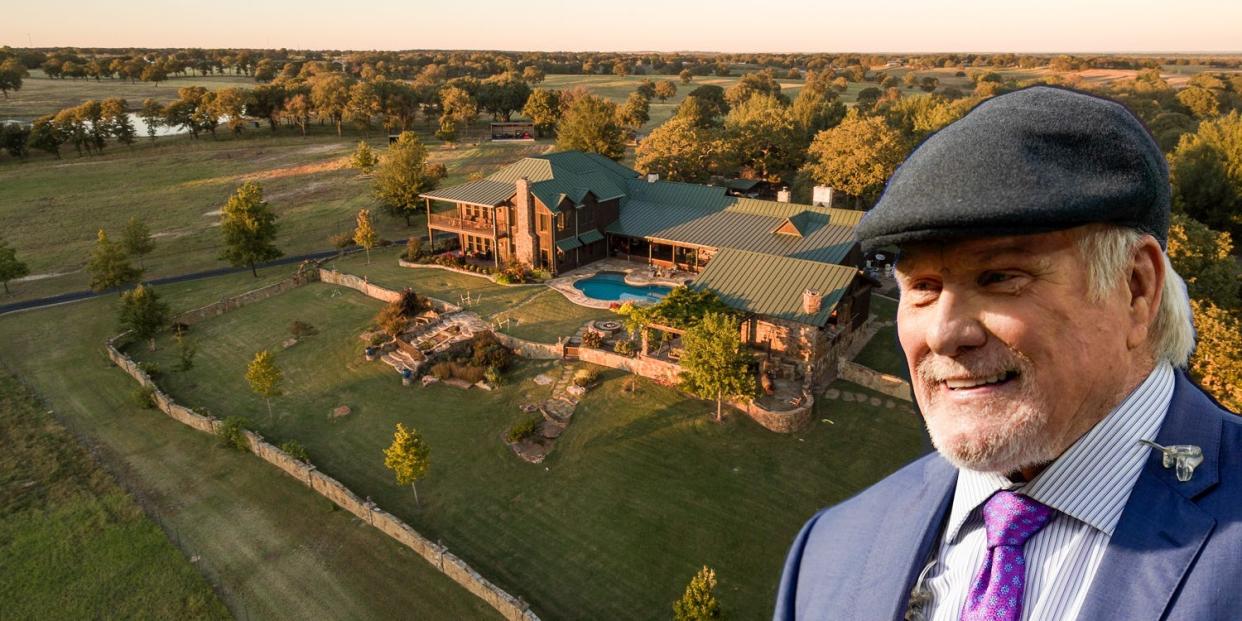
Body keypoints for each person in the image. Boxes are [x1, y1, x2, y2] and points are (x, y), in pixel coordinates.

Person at [774, 86, 1241, 621]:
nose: (945, 332)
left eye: (998, 277)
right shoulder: (829, 551)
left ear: (1136, 287)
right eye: (922, 286)